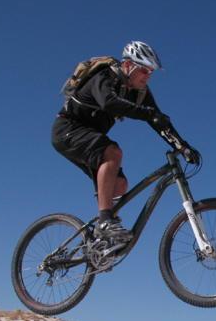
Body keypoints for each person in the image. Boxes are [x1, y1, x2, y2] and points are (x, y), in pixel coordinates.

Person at [51, 41, 200, 242]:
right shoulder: (104, 76)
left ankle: (100, 242)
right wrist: (147, 114)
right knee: (113, 153)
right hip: (67, 130)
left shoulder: (140, 93)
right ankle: (105, 222)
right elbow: (109, 103)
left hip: (90, 137)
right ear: (129, 65)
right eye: (145, 70)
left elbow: (158, 119)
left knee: (120, 184)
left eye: (151, 72)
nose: (148, 76)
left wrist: (182, 146)